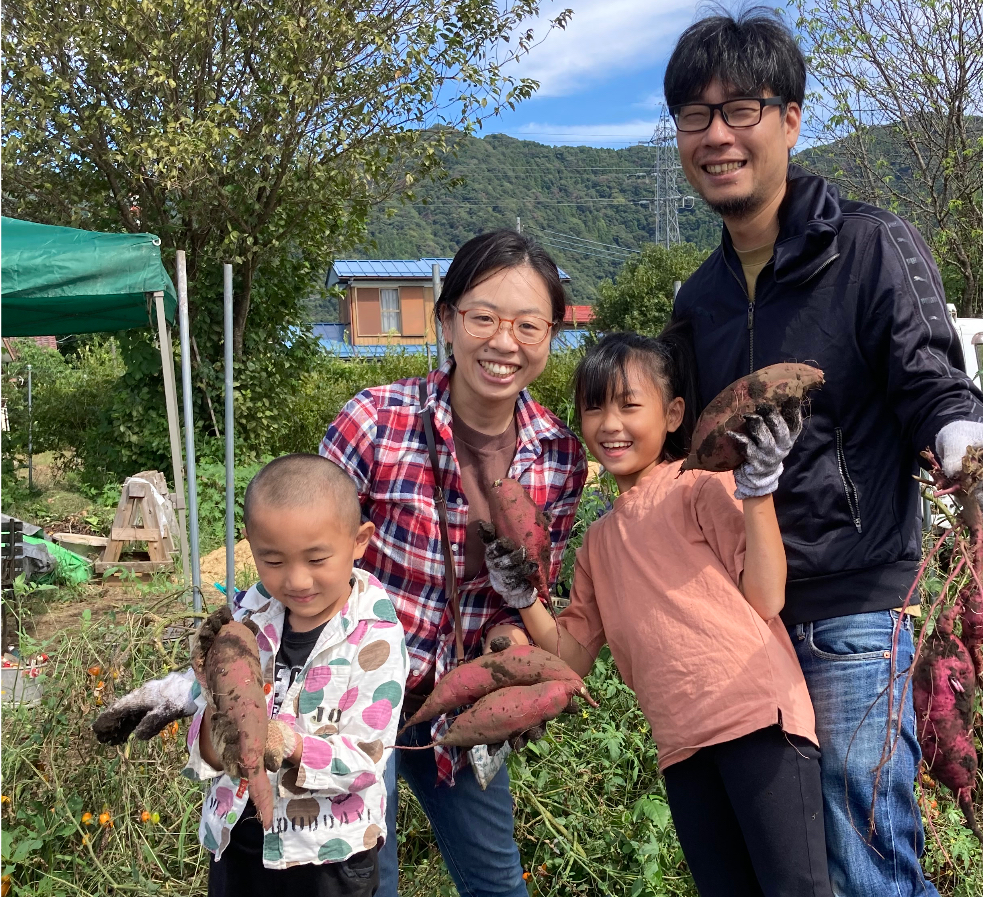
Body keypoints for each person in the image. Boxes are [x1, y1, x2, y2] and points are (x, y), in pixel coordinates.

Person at [95, 230, 588, 897]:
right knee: (360, 878)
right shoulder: (374, 421)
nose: (505, 342)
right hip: (346, 692)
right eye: (483, 317)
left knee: (496, 879)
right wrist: (210, 675)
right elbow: (301, 553)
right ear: (447, 320)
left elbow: (529, 591)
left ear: (551, 334)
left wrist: (510, 647)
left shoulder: (557, 453)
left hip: (459, 700)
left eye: (529, 325)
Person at [662, 9, 983, 897]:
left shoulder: (865, 244)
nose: (717, 135)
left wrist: (964, 438)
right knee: (789, 867)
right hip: (744, 615)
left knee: (863, 859)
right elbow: (679, 451)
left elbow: (927, 376)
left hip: (851, 611)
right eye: (693, 116)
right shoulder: (698, 296)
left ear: (790, 119)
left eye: (741, 109)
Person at [481, 329, 834, 897]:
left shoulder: (700, 487)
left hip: (758, 722)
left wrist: (759, 491)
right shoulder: (595, 543)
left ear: (672, 414)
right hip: (681, 750)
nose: (609, 424)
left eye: (629, 404)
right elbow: (569, 656)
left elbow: (765, 598)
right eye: (593, 407)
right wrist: (524, 597)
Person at [184, 453, 407, 897]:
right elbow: (204, 740)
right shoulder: (247, 616)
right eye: (274, 561)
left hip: (327, 854)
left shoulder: (375, 639)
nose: (297, 580)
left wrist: (285, 743)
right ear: (249, 545)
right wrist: (213, 695)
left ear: (360, 541)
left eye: (316, 559)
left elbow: (367, 759)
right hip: (239, 841)